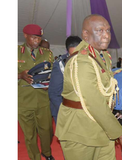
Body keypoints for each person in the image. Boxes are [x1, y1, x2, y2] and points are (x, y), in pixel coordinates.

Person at [55, 14, 122, 160]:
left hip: (102, 126)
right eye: (100, 31)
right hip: (80, 130)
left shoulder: (101, 55)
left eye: (108, 30)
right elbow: (94, 103)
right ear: (85, 35)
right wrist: (121, 134)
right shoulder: (82, 61)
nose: (106, 36)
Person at [18, 24, 55, 160]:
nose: (37, 41)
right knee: (29, 134)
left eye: (39, 38)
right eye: (33, 38)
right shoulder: (15, 52)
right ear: (25, 35)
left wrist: (48, 83)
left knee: (47, 131)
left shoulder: (47, 54)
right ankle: (35, 157)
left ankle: (47, 153)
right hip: (23, 100)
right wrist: (20, 75)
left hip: (43, 99)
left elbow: (52, 74)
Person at [48, 36, 82, 124]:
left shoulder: (88, 60)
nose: (75, 57)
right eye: (72, 54)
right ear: (67, 51)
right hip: (64, 109)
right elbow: (54, 94)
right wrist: (66, 114)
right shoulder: (60, 64)